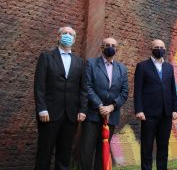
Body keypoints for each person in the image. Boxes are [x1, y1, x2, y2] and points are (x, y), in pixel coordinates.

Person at [34, 26, 87, 170]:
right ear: (58, 37)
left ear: (74, 40)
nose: (68, 36)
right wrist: (42, 109)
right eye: (65, 33)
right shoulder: (46, 57)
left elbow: (83, 88)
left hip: (70, 116)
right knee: (44, 155)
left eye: (71, 34)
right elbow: (39, 86)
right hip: (49, 114)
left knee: (64, 157)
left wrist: (82, 110)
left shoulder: (79, 62)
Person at [79, 37, 129, 170]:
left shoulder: (122, 69)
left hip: (111, 117)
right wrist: (101, 106)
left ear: (117, 49)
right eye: (108, 45)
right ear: (102, 47)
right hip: (93, 115)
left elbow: (124, 93)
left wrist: (111, 107)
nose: (111, 47)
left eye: (113, 45)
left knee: (103, 152)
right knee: (87, 151)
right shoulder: (91, 63)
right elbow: (87, 87)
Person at [134, 39, 177, 170]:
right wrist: (139, 110)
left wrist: (175, 109)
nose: (159, 49)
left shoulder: (169, 67)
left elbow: (172, 89)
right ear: (151, 49)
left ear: (164, 50)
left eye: (162, 47)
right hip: (148, 114)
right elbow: (138, 91)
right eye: (156, 47)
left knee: (163, 146)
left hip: (166, 113)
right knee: (147, 147)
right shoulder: (142, 66)